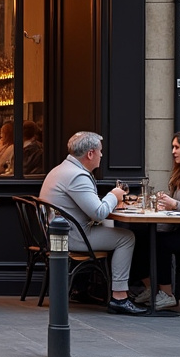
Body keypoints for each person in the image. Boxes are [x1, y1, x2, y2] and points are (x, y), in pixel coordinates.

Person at [39, 131, 144, 314]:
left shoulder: (61, 169)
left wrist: (109, 201)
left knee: (109, 227)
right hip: (71, 237)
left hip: (58, 234)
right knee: (126, 237)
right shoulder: (77, 176)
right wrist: (114, 195)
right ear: (90, 154)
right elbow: (99, 213)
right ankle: (119, 297)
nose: (102, 155)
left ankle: (84, 287)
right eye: (100, 151)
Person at [128, 129, 180, 309]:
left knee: (161, 243)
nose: (173, 151)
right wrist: (164, 203)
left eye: (177, 147)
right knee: (139, 235)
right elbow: (177, 206)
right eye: (172, 147)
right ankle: (151, 288)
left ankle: (167, 294)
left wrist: (175, 205)